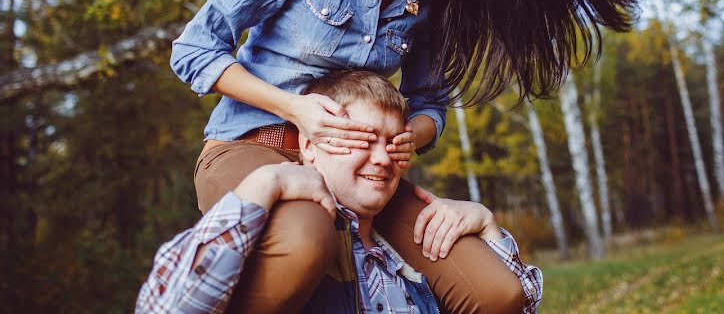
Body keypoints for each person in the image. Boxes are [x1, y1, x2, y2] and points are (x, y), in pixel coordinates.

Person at [170, 0, 639, 312]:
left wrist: (407, 138)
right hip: (253, 147)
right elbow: (194, 50)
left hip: (360, 172)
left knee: (497, 292)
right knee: (308, 239)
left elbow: (430, 103)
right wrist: (295, 109)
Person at [136, 71, 542, 314]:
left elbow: (516, 306)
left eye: (393, 143)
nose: (382, 158)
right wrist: (267, 182)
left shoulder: (412, 263)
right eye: (362, 140)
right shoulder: (276, 256)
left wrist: (488, 229)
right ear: (310, 147)